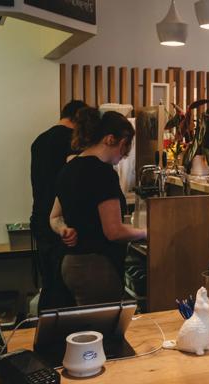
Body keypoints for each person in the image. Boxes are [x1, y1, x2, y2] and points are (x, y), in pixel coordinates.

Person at [50, 107, 147, 306]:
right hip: (96, 268)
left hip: (70, 265)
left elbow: (54, 217)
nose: (124, 155)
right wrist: (147, 232)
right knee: (102, 331)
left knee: (84, 329)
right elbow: (114, 232)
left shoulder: (68, 169)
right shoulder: (103, 174)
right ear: (110, 139)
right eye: (124, 146)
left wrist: (63, 230)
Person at [30, 99, 87, 310]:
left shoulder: (39, 141)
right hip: (63, 223)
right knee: (63, 293)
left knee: (49, 286)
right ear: (78, 118)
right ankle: (60, 336)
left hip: (40, 219)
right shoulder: (72, 142)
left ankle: (45, 335)